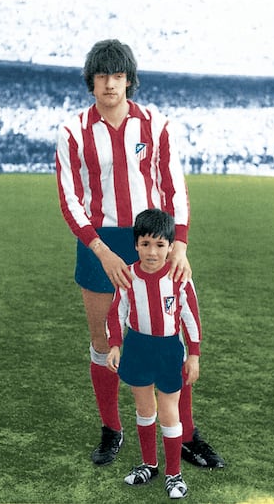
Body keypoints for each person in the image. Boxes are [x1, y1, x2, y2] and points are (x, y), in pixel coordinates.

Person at [55, 38, 224, 469]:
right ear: (90, 81)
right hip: (100, 242)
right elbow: (70, 198)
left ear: (129, 80)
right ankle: (112, 429)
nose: (109, 84)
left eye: (117, 75)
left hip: (152, 237)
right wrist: (100, 250)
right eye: (101, 76)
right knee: (102, 342)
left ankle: (184, 434)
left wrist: (180, 244)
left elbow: (174, 186)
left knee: (168, 339)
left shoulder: (156, 124)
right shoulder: (73, 130)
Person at [106, 208, 201, 499]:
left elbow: (190, 315)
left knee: (170, 412)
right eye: (145, 244)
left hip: (168, 350)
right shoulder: (128, 276)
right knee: (145, 409)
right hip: (137, 348)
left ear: (171, 247)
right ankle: (149, 464)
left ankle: (174, 474)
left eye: (160, 245)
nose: (152, 252)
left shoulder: (178, 277)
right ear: (136, 244)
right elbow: (116, 312)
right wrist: (115, 345)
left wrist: (194, 354)